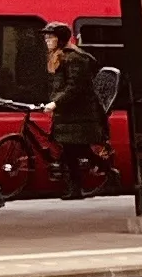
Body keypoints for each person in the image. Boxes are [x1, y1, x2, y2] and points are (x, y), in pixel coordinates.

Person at [42, 24, 107, 196]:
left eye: (51, 37)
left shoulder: (74, 58)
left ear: (61, 39)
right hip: (68, 113)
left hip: (80, 114)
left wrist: (56, 103)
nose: (47, 41)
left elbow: (74, 87)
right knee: (75, 150)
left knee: (73, 151)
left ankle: (79, 186)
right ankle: (93, 177)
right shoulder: (58, 57)